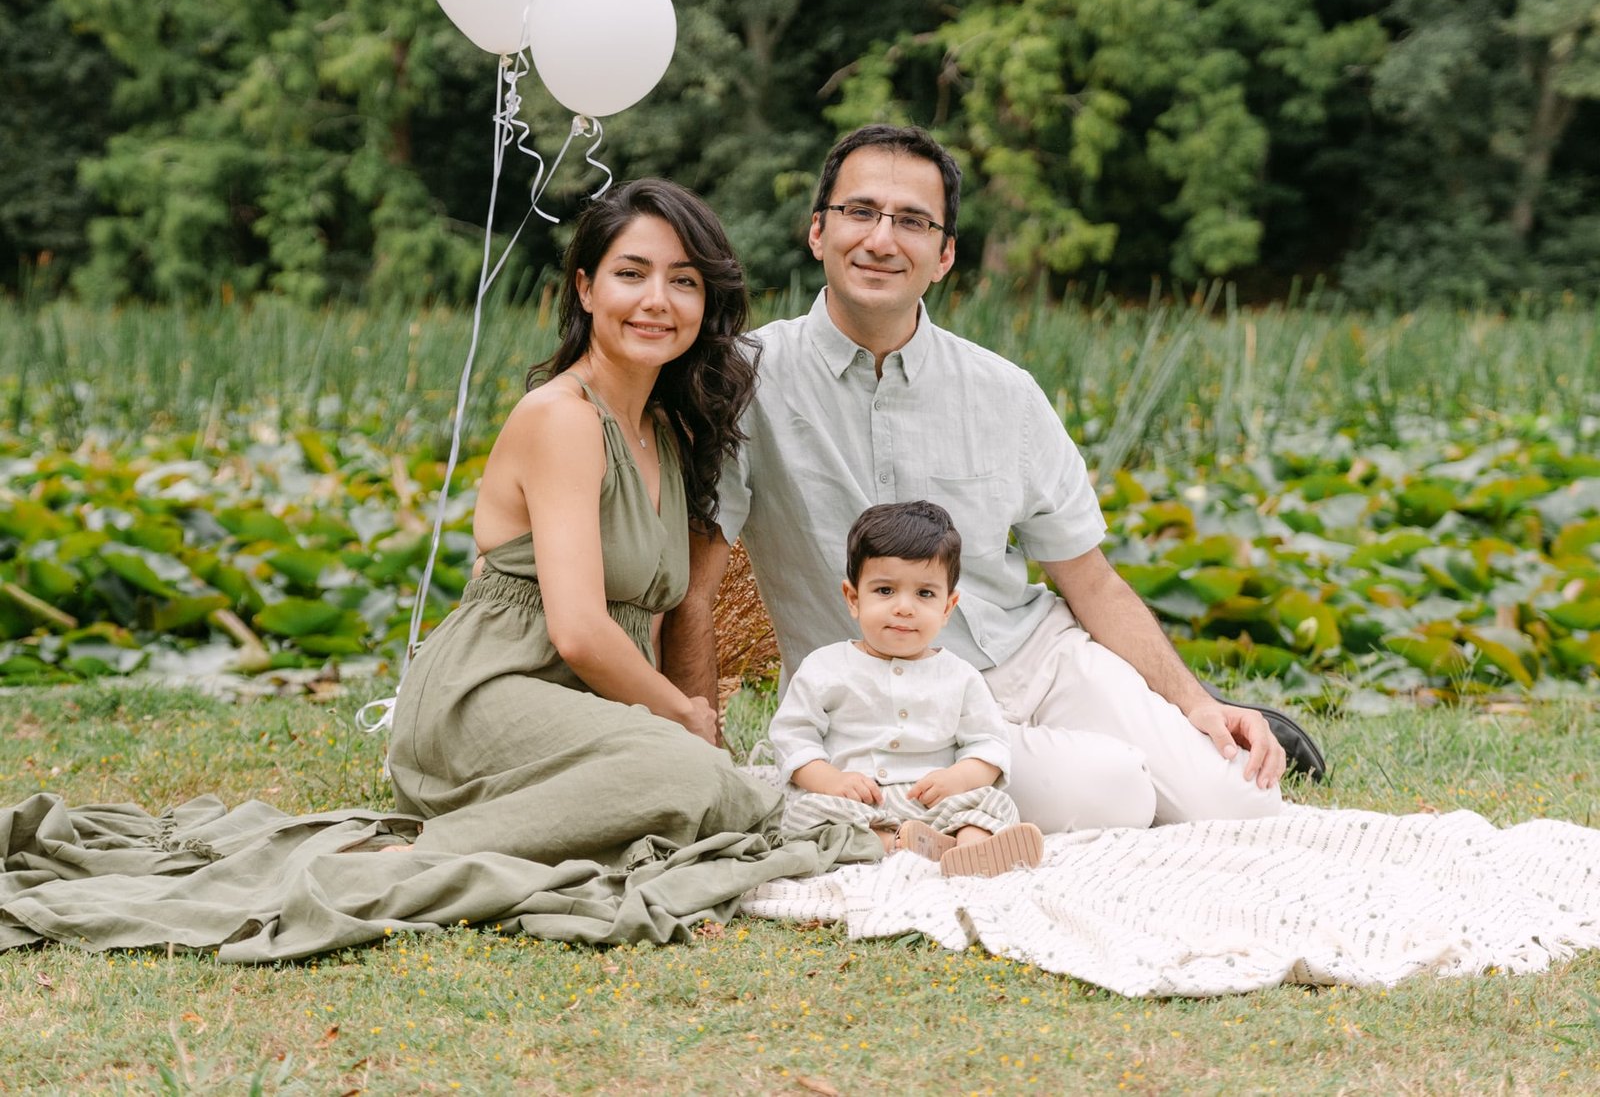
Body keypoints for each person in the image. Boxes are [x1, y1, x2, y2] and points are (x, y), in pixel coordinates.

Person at [663, 125, 1288, 835]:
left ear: (945, 255)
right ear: (817, 232)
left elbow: (1090, 580)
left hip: (1036, 660)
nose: (881, 238)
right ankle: (1096, 769)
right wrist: (700, 756)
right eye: (859, 212)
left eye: (912, 222)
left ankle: (1153, 744)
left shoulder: (1005, 390)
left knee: (1243, 805)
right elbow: (694, 590)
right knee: (1112, 794)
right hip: (882, 701)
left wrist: (1195, 702)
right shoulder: (746, 380)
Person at [386, 178, 871, 867]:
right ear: (586, 289)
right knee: (689, 776)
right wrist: (680, 715)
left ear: (706, 304)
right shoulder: (563, 418)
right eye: (630, 274)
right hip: (491, 695)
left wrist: (690, 729)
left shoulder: (667, 431)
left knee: (697, 776)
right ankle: (441, 844)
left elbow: (673, 609)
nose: (656, 301)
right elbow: (579, 631)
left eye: (683, 281)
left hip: (590, 707)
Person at [770, 500, 1044, 878]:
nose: (904, 608)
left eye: (925, 594)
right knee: (804, 816)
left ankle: (970, 847)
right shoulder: (826, 667)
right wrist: (833, 781)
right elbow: (793, 739)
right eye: (884, 590)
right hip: (857, 803)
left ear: (948, 607)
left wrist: (957, 779)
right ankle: (891, 843)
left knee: (993, 803)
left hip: (931, 803)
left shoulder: (959, 676)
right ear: (854, 598)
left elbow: (989, 745)